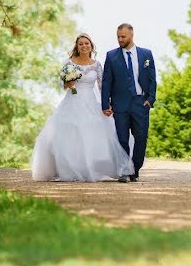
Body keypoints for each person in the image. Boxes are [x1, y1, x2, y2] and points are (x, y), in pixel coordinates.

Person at [31, 33, 135, 182]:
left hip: (91, 103)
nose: (84, 46)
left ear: (91, 46)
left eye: (87, 43)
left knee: (93, 133)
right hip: (72, 101)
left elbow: (101, 86)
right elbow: (62, 85)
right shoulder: (69, 63)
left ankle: (93, 168)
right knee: (69, 135)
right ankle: (70, 170)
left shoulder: (97, 64)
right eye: (81, 44)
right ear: (77, 47)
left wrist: (107, 103)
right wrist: (69, 82)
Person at [101, 23, 156, 181]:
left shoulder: (146, 54)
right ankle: (125, 170)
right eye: (118, 36)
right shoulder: (111, 56)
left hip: (140, 103)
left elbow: (152, 79)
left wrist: (150, 100)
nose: (120, 39)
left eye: (123, 36)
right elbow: (107, 82)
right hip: (120, 105)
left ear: (131, 35)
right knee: (122, 138)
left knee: (141, 137)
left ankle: (135, 169)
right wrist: (106, 104)